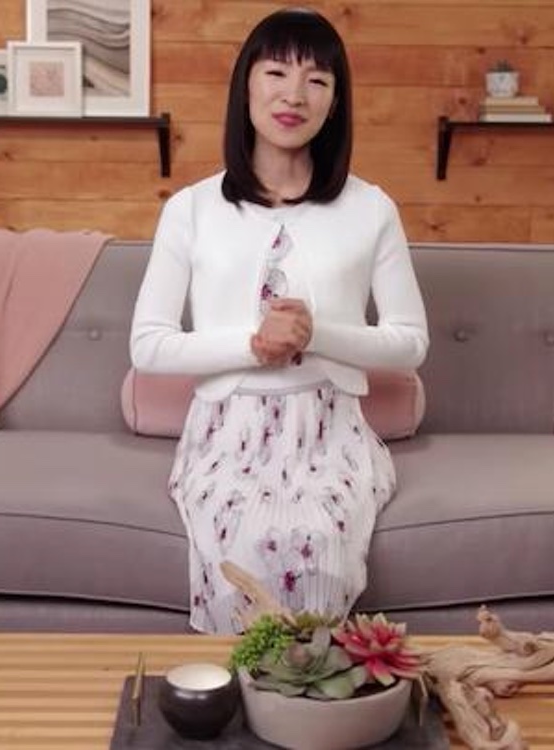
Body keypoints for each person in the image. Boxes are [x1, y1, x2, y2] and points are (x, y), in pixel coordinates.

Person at [130, 6, 428, 634]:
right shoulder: (191, 209)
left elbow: (410, 343)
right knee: (241, 541)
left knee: (318, 542)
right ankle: (241, 685)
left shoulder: (371, 208)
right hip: (224, 434)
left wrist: (317, 335)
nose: (294, 94)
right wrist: (252, 345)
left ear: (335, 103)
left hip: (331, 432)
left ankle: (309, 688)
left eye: (317, 80)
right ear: (246, 86)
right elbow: (148, 346)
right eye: (276, 73)